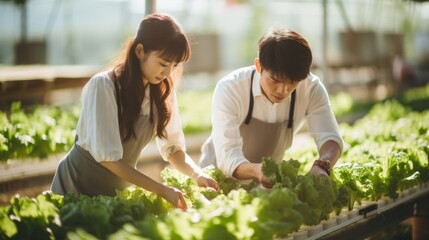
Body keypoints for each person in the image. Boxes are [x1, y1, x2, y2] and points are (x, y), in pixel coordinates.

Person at [51, 13, 219, 210]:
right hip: (76, 184)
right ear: (140, 51)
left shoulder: (162, 91)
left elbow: (173, 148)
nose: (167, 73)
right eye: (163, 64)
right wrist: (162, 190)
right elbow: (108, 158)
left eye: (174, 66)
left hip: (115, 191)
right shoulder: (104, 86)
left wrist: (197, 174)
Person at [199, 28, 343, 188]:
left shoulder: (311, 88)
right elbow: (227, 155)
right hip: (217, 178)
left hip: (266, 181)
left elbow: (330, 136)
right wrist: (257, 171)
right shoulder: (230, 88)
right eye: (275, 80)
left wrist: (322, 165)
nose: (283, 90)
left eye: (292, 82)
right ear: (258, 66)